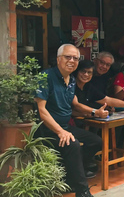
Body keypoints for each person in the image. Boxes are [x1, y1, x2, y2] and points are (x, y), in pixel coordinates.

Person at [35, 44, 107, 197]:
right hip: (46, 129)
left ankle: (69, 178)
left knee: (96, 141)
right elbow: (42, 111)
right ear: (58, 59)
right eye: (68, 57)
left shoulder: (72, 80)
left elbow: (75, 104)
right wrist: (61, 132)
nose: (72, 61)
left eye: (75, 58)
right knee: (72, 144)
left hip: (65, 126)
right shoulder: (45, 76)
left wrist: (95, 112)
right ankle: (82, 191)